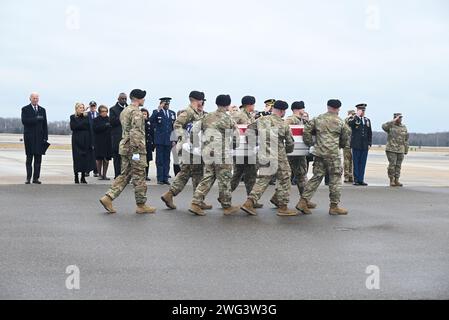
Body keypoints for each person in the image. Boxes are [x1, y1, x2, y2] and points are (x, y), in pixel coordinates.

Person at [99, 89, 156, 215]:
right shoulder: (137, 112)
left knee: (125, 175)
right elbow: (135, 132)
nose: (144, 100)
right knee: (139, 175)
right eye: (143, 98)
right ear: (138, 99)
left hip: (125, 147)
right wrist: (136, 151)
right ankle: (141, 205)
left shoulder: (125, 111)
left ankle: (108, 197)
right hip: (135, 149)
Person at [241, 100, 297, 217]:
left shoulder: (261, 120)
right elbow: (290, 143)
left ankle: (249, 203)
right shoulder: (283, 124)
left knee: (264, 179)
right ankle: (283, 206)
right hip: (278, 155)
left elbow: (249, 130)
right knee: (285, 178)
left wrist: (252, 145)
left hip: (263, 154)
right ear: (282, 111)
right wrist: (287, 151)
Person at [189, 95, 241, 216]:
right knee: (224, 179)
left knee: (208, 177)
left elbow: (193, 131)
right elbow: (236, 139)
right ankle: (227, 206)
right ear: (228, 105)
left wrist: (196, 144)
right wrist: (231, 147)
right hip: (221, 153)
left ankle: (195, 203)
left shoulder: (206, 116)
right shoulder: (228, 119)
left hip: (207, 151)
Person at [297, 99, 350, 216]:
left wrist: (310, 142)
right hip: (333, 155)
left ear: (328, 107)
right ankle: (334, 206)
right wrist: (339, 145)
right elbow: (345, 138)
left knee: (316, 178)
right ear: (338, 108)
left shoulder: (318, 119)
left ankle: (303, 201)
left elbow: (306, 130)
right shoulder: (341, 122)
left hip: (319, 153)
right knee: (335, 180)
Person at [161, 91, 211, 210]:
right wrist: (185, 139)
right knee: (197, 174)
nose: (202, 103)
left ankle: (170, 195)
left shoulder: (198, 112)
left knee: (186, 173)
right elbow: (177, 125)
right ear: (197, 100)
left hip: (195, 149)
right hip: (190, 149)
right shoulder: (188, 112)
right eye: (202, 100)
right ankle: (197, 201)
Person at [230, 96, 263, 208]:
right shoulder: (238, 115)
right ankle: (225, 195)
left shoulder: (250, 116)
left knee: (251, 174)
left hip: (249, 150)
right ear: (250, 104)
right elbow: (231, 126)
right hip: (240, 150)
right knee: (237, 174)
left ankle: (251, 199)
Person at [283, 101, 316, 209]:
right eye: (303, 108)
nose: (304, 110)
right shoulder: (291, 119)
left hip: (299, 152)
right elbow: (284, 129)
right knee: (299, 175)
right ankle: (304, 200)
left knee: (301, 175)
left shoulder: (301, 120)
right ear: (298, 109)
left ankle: (305, 199)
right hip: (293, 152)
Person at [21, 92, 48, 184]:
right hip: (29, 137)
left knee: (38, 159)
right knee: (29, 158)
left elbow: (45, 125)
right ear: (30, 99)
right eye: (34, 98)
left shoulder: (42, 110)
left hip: (40, 138)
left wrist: (45, 137)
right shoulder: (25, 109)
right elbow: (24, 121)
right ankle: (28, 178)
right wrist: (36, 118)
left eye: (37, 98)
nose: (35, 100)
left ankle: (36, 178)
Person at [150, 97, 176, 185]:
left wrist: (174, 139)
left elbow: (173, 128)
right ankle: (160, 178)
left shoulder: (172, 113)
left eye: (168, 104)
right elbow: (151, 120)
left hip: (168, 140)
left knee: (167, 160)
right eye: (165, 104)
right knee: (160, 160)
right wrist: (158, 109)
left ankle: (165, 178)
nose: (167, 105)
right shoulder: (156, 112)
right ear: (161, 104)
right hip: (160, 140)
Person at [348, 103, 372, 186]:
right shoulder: (353, 119)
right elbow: (350, 125)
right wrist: (356, 116)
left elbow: (369, 133)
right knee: (356, 162)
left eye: (364, 110)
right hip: (356, 144)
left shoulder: (367, 120)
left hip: (364, 145)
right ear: (357, 110)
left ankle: (361, 179)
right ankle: (356, 180)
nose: (363, 112)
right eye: (361, 110)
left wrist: (369, 143)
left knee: (363, 163)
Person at [70, 103, 95, 184]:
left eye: (83, 107)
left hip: (86, 139)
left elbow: (90, 127)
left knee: (85, 158)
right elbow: (73, 127)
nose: (82, 109)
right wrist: (83, 124)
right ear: (76, 108)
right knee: (77, 158)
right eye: (80, 107)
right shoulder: (73, 117)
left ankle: (83, 177)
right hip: (76, 139)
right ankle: (76, 176)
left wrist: (92, 141)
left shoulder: (87, 116)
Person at [382, 113, 409, 187]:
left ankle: (397, 180)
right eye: (398, 118)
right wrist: (393, 121)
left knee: (398, 165)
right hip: (391, 149)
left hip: (401, 149)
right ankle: (391, 180)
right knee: (392, 165)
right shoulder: (390, 126)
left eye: (400, 118)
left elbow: (406, 139)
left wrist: (406, 149)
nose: (400, 119)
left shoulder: (403, 127)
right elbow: (383, 126)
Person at [110, 93, 128, 179]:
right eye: (122, 99)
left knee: (126, 157)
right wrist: (122, 115)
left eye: (125, 99)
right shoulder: (113, 109)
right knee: (117, 157)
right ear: (118, 99)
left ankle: (126, 175)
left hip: (127, 137)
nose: (124, 100)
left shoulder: (129, 108)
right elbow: (112, 122)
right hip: (117, 137)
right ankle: (117, 175)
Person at [93, 105, 112, 180]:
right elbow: (95, 129)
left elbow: (112, 128)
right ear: (100, 112)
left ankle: (105, 175)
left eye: (106, 111)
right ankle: (99, 174)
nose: (104, 113)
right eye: (103, 111)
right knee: (99, 158)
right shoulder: (96, 120)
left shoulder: (109, 119)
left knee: (106, 159)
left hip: (108, 141)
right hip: (99, 141)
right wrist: (105, 126)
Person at [141, 108, 154, 181]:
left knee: (147, 160)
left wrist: (152, 144)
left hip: (148, 144)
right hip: (140, 144)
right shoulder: (139, 123)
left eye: (145, 114)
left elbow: (151, 133)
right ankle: (139, 175)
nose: (144, 115)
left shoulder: (149, 122)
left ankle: (146, 174)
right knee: (138, 161)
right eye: (142, 114)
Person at [87, 101, 99, 177]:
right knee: (88, 154)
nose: (93, 107)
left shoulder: (98, 115)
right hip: (88, 137)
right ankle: (87, 171)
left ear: (96, 106)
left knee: (96, 155)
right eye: (91, 106)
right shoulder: (86, 114)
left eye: (94, 106)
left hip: (97, 137)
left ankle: (96, 171)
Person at [343, 110, 356, 183]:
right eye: (352, 114)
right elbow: (345, 121)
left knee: (353, 161)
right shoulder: (346, 121)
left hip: (353, 143)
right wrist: (349, 116)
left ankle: (351, 176)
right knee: (347, 161)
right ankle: (346, 176)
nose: (353, 116)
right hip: (347, 144)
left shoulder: (354, 122)